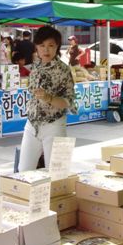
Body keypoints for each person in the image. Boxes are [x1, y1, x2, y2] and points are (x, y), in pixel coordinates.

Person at [18, 26, 76, 172]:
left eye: (51, 45)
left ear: (57, 47)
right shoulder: (35, 66)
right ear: (36, 47)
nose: (46, 50)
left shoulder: (63, 70)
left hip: (55, 124)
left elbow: (67, 102)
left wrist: (48, 97)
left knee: (58, 173)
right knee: (23, 171)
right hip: (32, 125)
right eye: (42, 45)